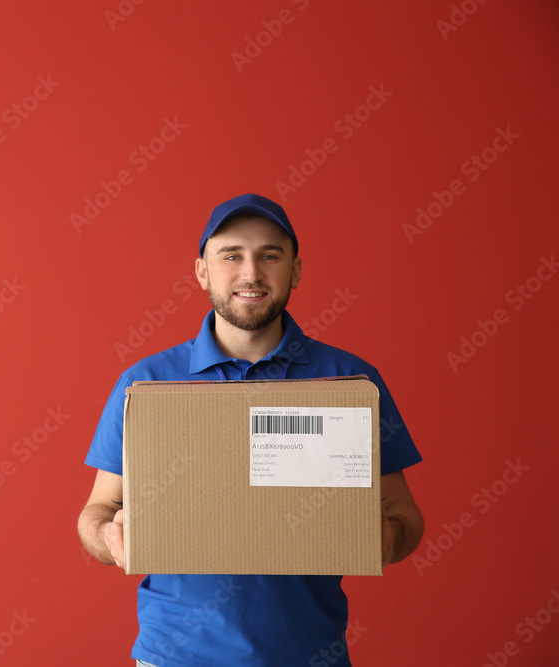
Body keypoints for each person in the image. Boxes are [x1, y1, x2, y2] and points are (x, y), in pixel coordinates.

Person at [77, 193, 424, 667]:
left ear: (295, 271)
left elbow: (404, 512)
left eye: (270, 255)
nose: (251, 273)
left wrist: (390, 537)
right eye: (231, 255)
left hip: (306, 655)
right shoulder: (148, 384)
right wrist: (109, 537)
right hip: (174, 657)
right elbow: (97, 510)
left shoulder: (349, 381)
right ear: (202, 271)